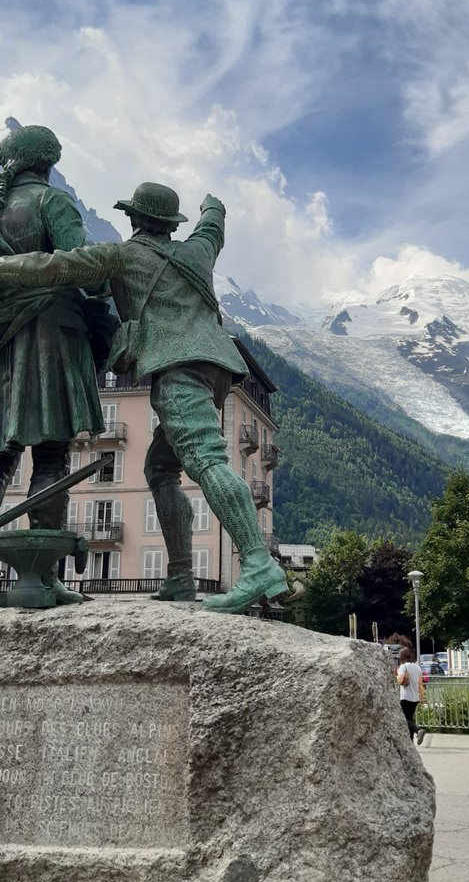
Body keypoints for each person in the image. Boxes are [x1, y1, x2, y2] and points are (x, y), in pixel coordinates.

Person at [0, 181, 288, 614]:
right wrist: (213, 205)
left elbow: (53, 266)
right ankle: (179, 575)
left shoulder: (120, 255)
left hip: (178, 366)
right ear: (171, 224)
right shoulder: (196, 251)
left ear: (134, 218)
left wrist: (6, 267)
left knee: (207, 459)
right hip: (218, 371)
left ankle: (258, 564)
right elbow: (214, 226)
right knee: (159, 467)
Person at [0, 125, 105, 604]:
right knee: (50, 455)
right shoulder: (53, 202)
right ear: (46, 162)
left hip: (4, 341)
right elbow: (84, 267)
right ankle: (44, 577)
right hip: (51, 338)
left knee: (2, 456)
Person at [396, 646, 426, 744]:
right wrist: (422, 697)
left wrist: (397, 676)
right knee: (409, 719)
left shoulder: (403, 667)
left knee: (403, 719)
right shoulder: (417, 667)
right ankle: (411, 742)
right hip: (415, 698)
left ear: (402, 657)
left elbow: (400, 680)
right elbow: (420, 684)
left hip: (405, 697)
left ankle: (418, 730)